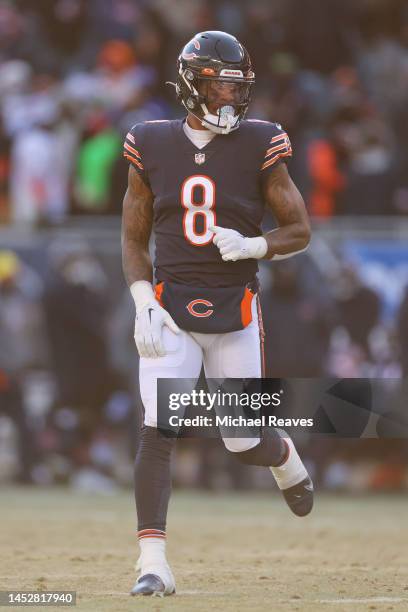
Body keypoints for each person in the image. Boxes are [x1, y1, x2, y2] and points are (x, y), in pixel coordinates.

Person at [121, 31, 313, 597]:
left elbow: (299, 229)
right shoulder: (149, 142)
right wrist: (140, 299)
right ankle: (151, 564)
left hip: (238, 307)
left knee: (240, 439)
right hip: (171, 304)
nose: (231, 95)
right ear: (189, 83)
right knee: (160, 428)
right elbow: (133, 236)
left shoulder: (262, 141)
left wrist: (258, 247)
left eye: (237, 84)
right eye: (220, 82)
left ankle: (285, 457)